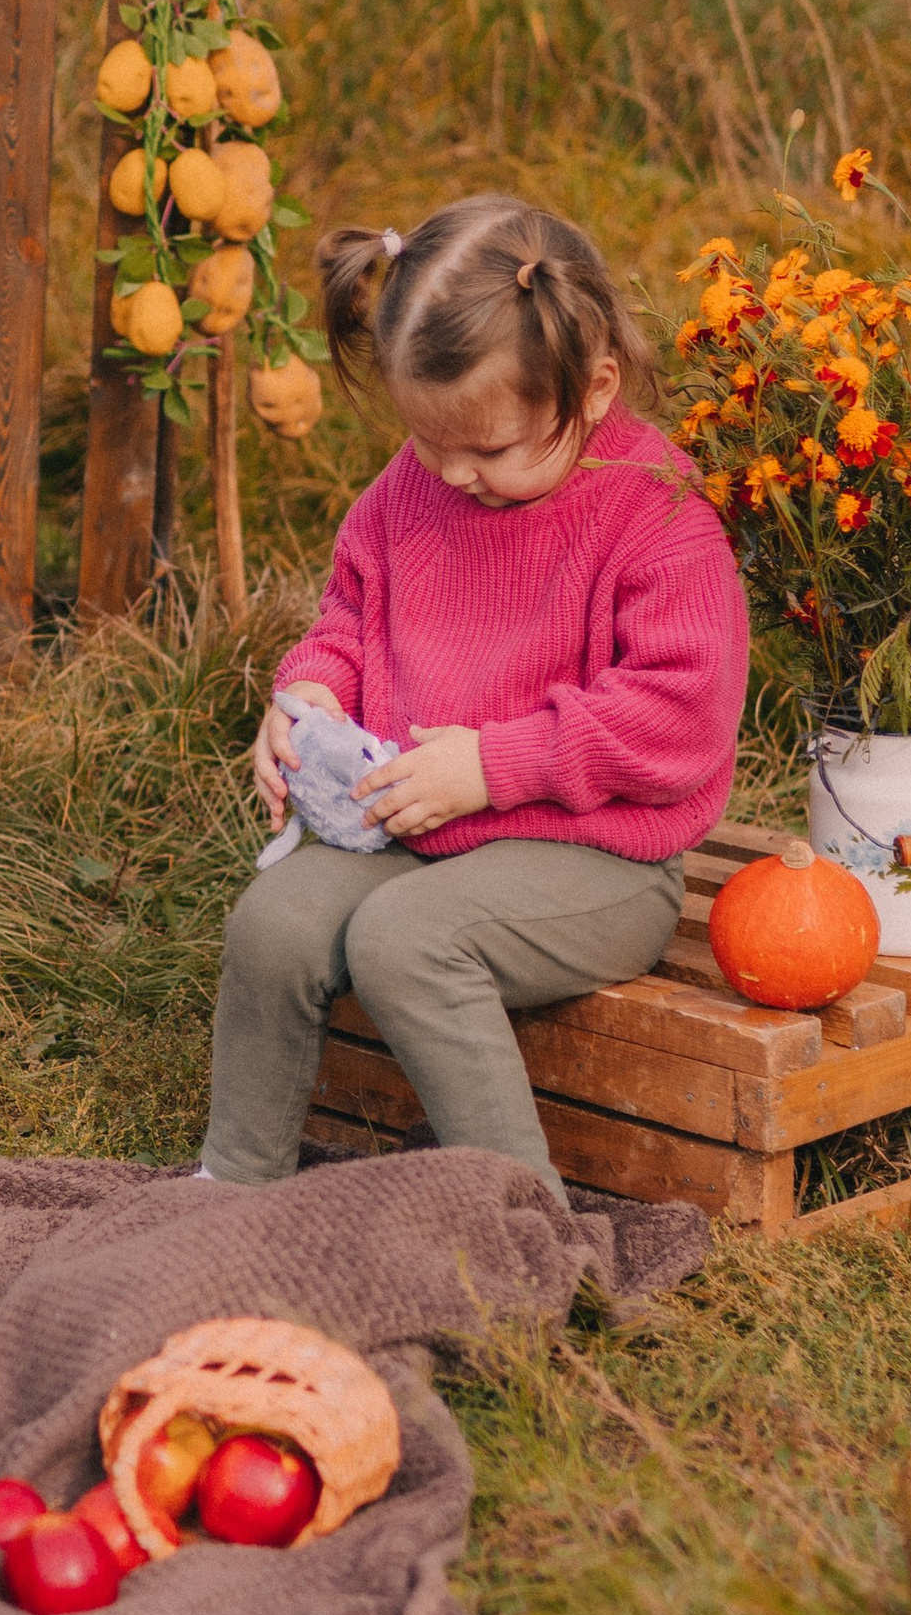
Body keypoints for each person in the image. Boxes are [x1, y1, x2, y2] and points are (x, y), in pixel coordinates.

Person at [198, 190, 748, 1192]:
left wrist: (495, 765)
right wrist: (310, 697)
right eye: (428, 441)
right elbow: (347, 622)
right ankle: (236, 1188)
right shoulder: (413, 492)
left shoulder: (653, 509)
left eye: (487, 449)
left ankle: (517, 1219)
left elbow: (682, 716)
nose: (452, 473)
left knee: (406, 940)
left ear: (591, 390)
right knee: (273, 921)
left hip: (597, 857)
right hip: (424, 831)